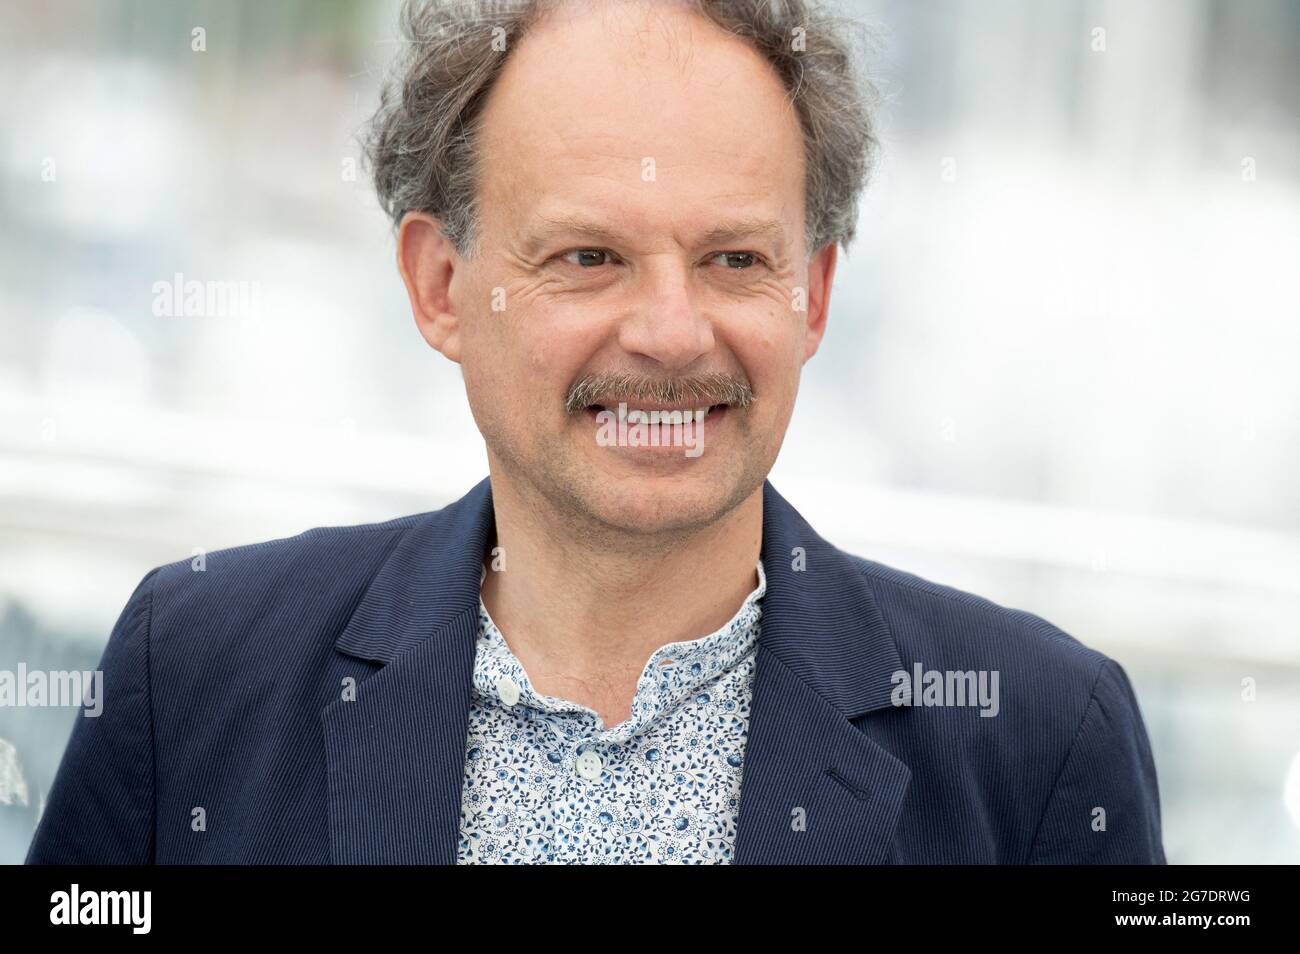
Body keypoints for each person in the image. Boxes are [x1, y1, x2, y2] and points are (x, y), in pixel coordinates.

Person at [27, 0, 1164, 864]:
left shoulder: (1039, 743)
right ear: (439, 286)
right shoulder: (194, 674)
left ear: (811, 297)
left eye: (733, 259)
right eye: (588, 258)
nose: (672, 334)